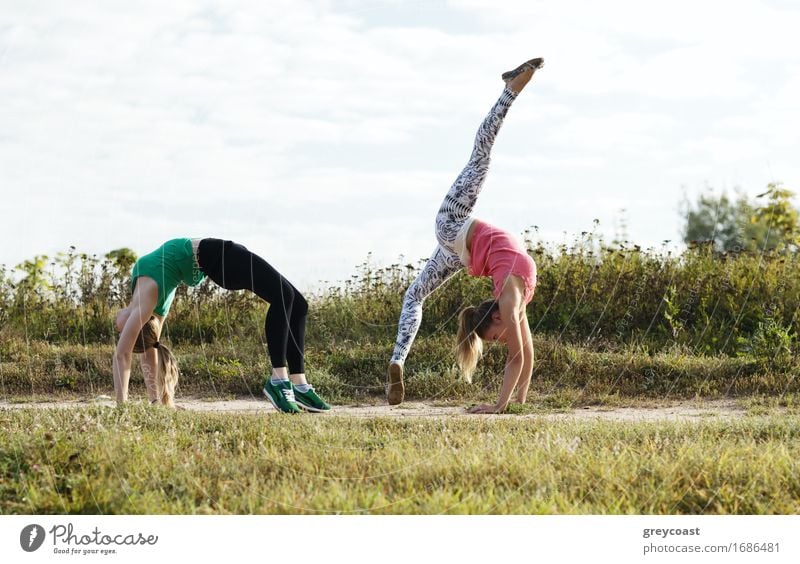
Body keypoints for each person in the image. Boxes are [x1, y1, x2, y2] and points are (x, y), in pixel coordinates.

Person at [387, 57, 543, 414]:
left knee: (414, 296)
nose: (497, 342)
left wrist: (518, 404)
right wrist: (498, 407)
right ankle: (509, 92)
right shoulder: (509, 300)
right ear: (496, 320)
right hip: (454, 224)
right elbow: (518, 359)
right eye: (493, 338)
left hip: (458, 252)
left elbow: (526, 355)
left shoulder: (514, 301)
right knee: (480, 158)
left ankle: (398, 359)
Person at [112, 238, 331, 413]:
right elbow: (124, 355)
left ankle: (299, 384)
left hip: (218, 260)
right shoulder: (146, 302)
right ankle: (278, 379)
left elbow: (151, 350)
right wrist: (122, 406)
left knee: (298, 304)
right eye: (124, 332)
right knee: (283, 296)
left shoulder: (149, 305)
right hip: (217, 258)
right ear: (138, 324)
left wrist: (155, 402)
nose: (119, 330)